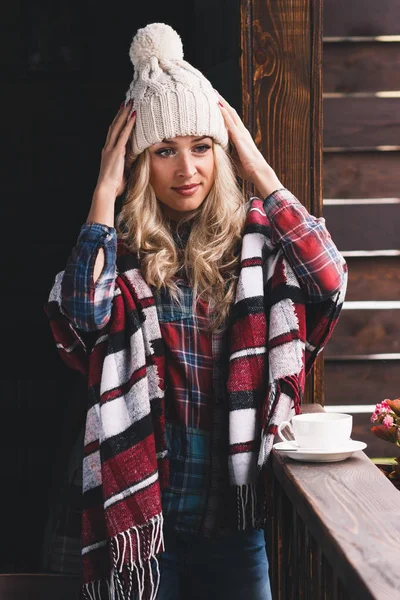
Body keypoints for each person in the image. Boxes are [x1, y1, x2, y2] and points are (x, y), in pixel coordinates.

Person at [46, 22, 347, 600]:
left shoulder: (253, 247)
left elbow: (330, 280)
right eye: (164, 151)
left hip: (236, 526)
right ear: (140, 164)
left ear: (222, 150)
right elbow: (80, 316)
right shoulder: (120, 253)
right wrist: (103, 196)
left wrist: (259, 167)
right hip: (144, 530)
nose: (187, 169)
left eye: (202, 147)